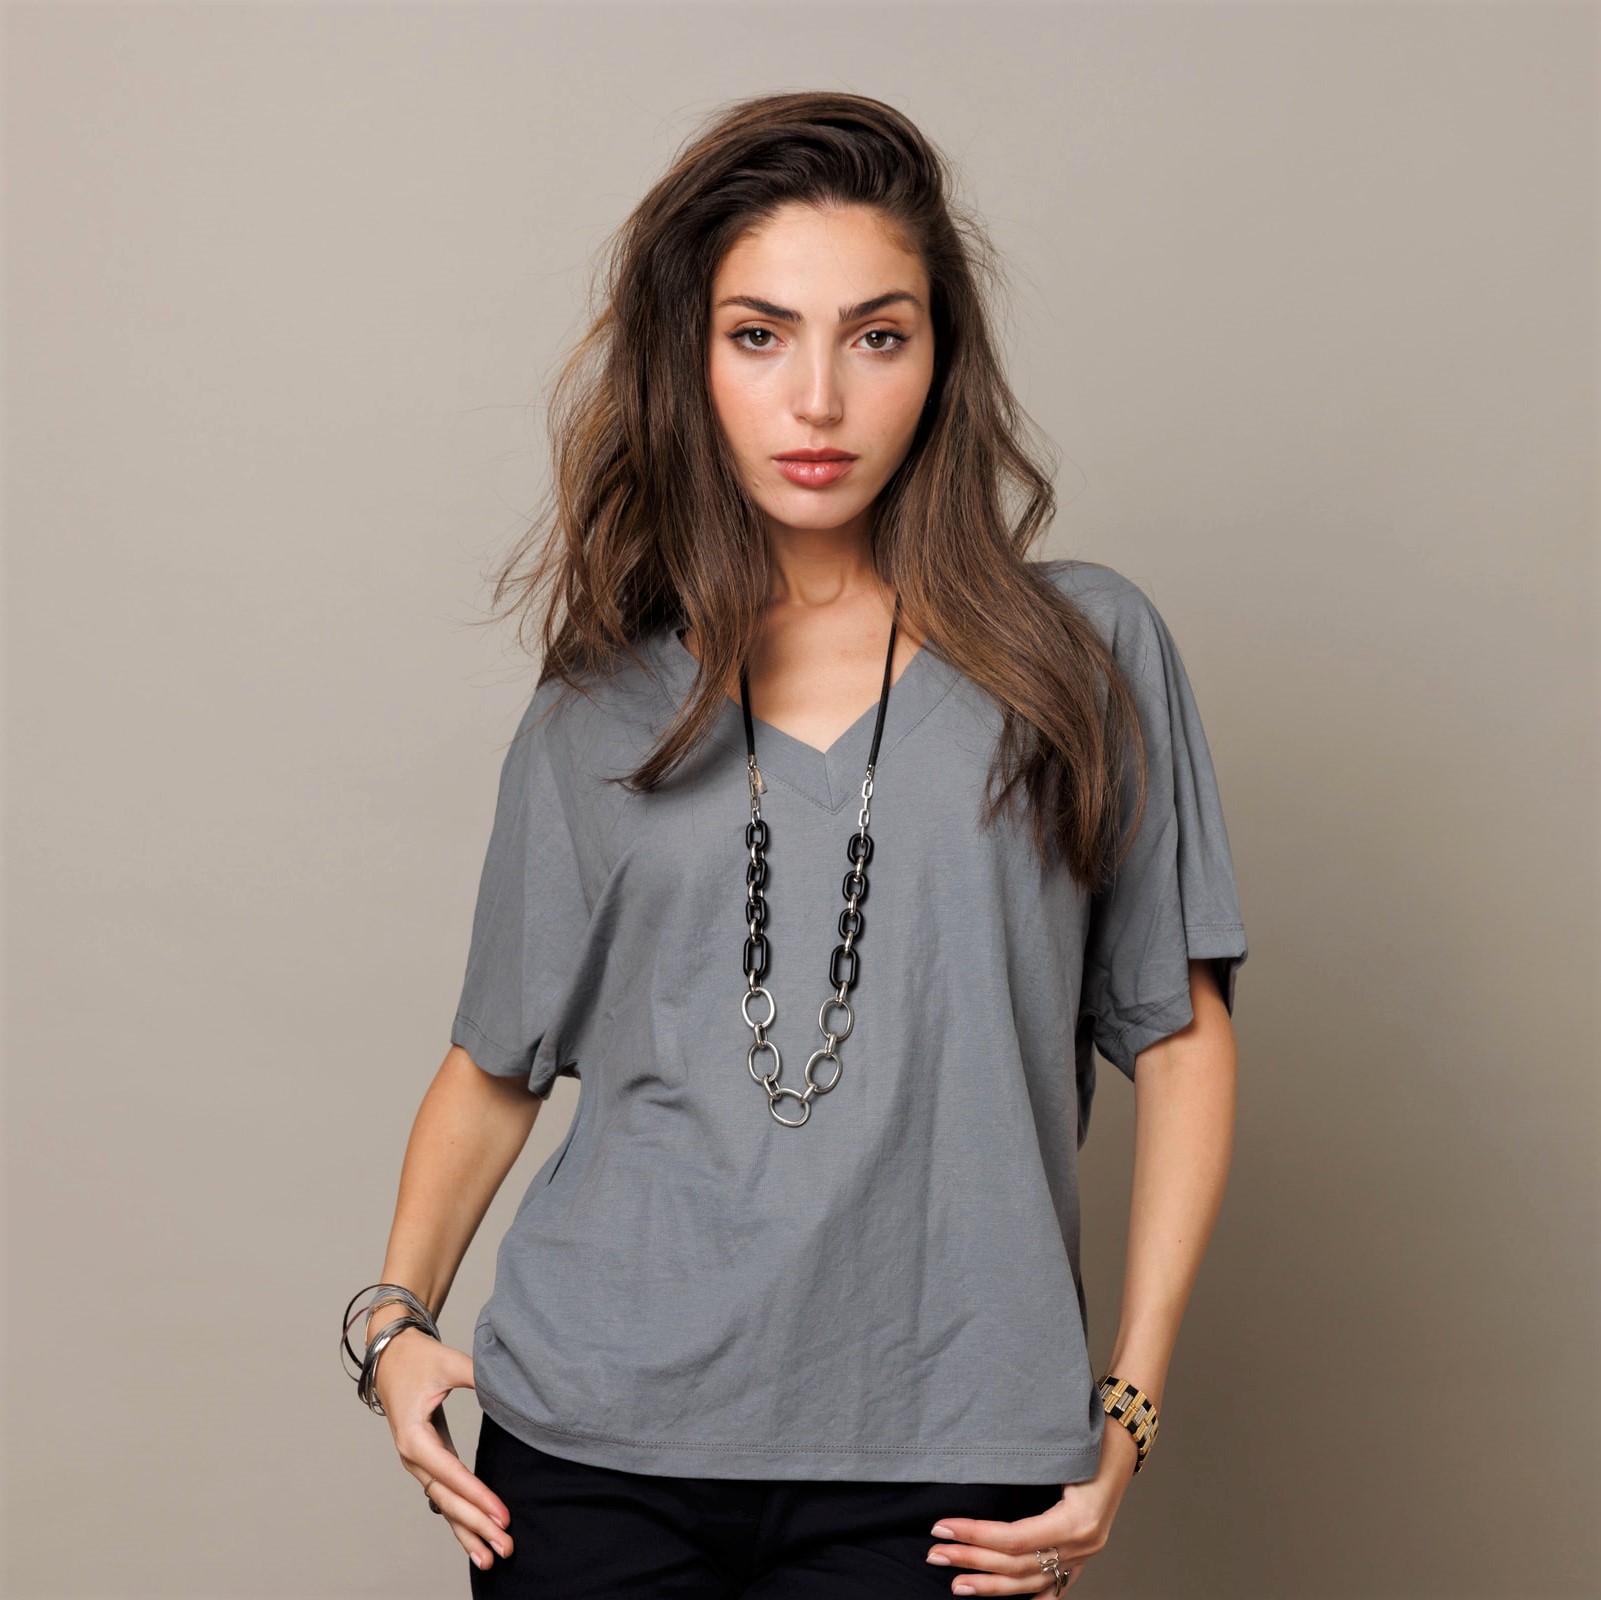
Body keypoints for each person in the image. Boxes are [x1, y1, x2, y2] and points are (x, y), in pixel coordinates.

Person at [341, 90, 1248, 1598]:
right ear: (689, 363)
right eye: (759, 335)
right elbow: (494, 1064)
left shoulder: (1082, 653)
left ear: (939, 361)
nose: (817, 399)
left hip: (949, 1456)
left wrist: (1130, 1405)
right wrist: (390, 1321)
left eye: (875, 337)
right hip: (591, 1453)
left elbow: (1181, 1034)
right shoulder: (598, 706)